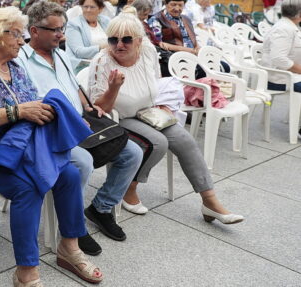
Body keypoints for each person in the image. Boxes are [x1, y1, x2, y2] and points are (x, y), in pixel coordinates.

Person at [0, 7, 104, 285]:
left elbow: (32, 105)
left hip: (21, 149)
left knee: (68, 174)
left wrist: (45, 112)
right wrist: (16, 112)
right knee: (29, 186)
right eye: (17, 35)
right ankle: (26, 272)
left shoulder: (16, 69)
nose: (22, 41)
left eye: (22, 35)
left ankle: (69, 247)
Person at [88, 12, 244, 225]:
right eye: (113, 40)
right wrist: (114, 88)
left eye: (126, 39)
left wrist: (164, 105)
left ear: (139, 41)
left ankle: (210, 201)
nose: (119, 45)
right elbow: (99, 109)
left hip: (148, 111)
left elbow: (157, 83)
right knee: (157, 142)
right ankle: (129, 188)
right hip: (119, 117)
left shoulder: (148, 51)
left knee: (185, 140)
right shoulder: (101, 61)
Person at [17, 0, 143, 248]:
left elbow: (74, 86)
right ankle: (73, 228)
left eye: (62, 28)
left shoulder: (61, 55)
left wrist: (87, 105)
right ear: (34, 31)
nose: (61, 34)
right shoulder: (20, 60)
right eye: (55, 30)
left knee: (133, 153)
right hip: (49, 130)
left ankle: (101, 208)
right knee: (82, 162)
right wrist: (71, 119)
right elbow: (30, 105)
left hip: (79, 123)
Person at [260, 0, 301, 95]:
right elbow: (278, 58)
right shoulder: (283, 29)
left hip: (289, 74)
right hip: (280, 78)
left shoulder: (288, 26)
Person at [66, 0, 111, 71]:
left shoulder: (106, 21)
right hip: (84, 67)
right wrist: (101, 47)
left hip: (107, 64)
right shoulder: (74, 24)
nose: (88, 10)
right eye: (85, 7)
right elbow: (79, 52)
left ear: (100, 9)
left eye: (92, 7)